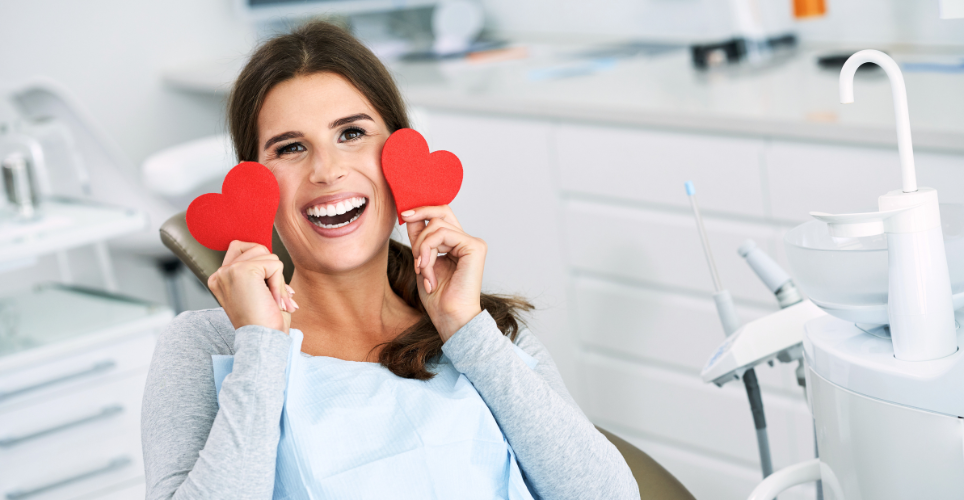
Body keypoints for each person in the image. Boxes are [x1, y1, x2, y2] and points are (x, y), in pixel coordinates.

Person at [141, 20, 639, 500]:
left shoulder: (480, 329)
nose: (326, 171)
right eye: (291, 147)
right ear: (256, 186)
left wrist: (465, 329)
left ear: (399, 158)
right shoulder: (210, 345)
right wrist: (260, 348)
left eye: (352, 133)